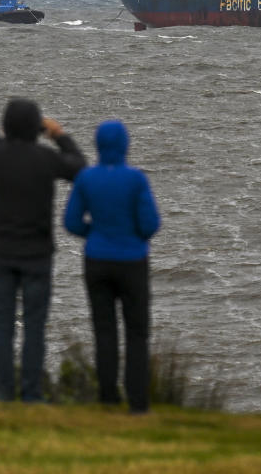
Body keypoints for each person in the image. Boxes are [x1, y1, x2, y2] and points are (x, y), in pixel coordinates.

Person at [0, 98, 86, 402]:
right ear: (36, 127)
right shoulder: (45, 158)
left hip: (0, 252)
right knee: (34, 327)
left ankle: (3, 393)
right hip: (37, 254)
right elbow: (79, 167)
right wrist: (59, 135)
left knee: (3, 327)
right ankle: (31, 395)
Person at [63, 120, 160, 413]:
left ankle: (107, 397)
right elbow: (151, 224)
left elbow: (71, 222)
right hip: (132, 261)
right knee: (137, 332)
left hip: (97, 260)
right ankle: (138, 402)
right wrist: (132, 235)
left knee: (104, 331)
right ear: (125, 145)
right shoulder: (136, 180)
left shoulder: (86, 179)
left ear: (98, 145)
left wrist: (93, 234)